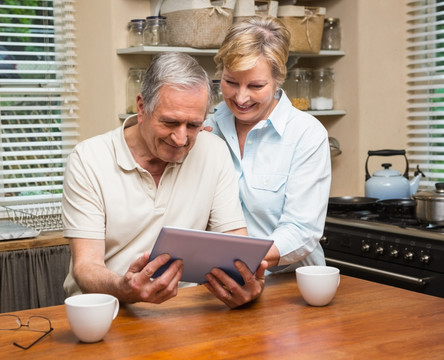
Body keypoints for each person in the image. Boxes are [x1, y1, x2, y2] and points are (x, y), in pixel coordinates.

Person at [62, 52, 268, 308]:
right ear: (141, 107)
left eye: (193, 125)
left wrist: (245, 282)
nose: (181, 139)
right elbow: (86, 267)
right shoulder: (89, 158)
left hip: (185, 314)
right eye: (170, 122)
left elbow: (236, 248)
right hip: (106, 312)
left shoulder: (213, 151)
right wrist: (124, 289)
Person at [205, 16, 331, 272]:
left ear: (277, 80)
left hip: (288, 287)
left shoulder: (306, 134)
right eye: (230, 82)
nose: (241, 97)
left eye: (256, 85)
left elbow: (301, 231)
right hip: (218, 280)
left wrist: (244, 261)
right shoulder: (207, 128)